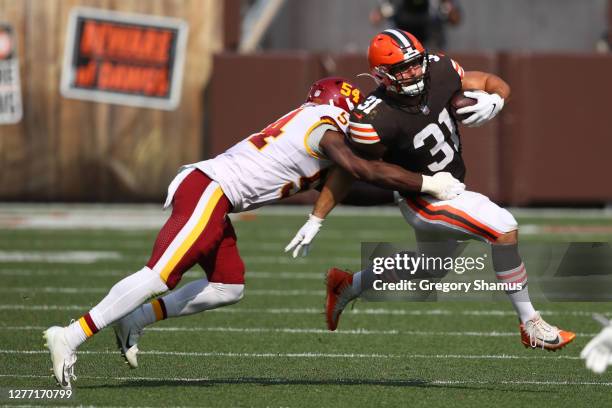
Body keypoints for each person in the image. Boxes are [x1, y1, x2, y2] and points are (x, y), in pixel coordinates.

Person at [43, 76, 465, 389]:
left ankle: (136, 318)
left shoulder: (314, 122)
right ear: (342, 106)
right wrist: (427, 183)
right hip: (211, 189)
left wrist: (317, 218)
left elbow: (346, 173)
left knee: (228, 287)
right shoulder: (324, 127)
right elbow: (358, 168)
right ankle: (71, 334)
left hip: (218, 196)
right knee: (158, 275)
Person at [286, 29, 576, 351]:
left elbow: (492, 81)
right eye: (402, 69)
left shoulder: (438, 69)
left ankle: (347, 285)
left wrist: (497, 99)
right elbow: (351, 170)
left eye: (415, 63)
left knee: (430, 268)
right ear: (382, 75)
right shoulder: (373, 118)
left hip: (452, 185)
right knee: (503, 228)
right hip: (421, 198)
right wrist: (317, 218)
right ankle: (531, 324)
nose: (412, 72)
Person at [370, 0, 461, 50]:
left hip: (431, 40)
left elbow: (455, 20)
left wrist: (447, 8)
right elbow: (375, 19)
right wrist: (383, 11)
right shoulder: (396, 4)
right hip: (403, 39)